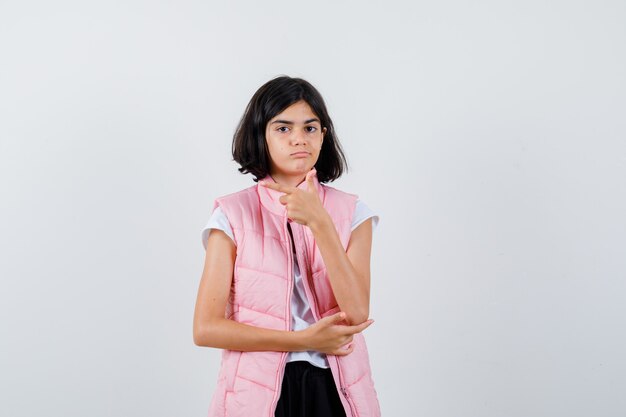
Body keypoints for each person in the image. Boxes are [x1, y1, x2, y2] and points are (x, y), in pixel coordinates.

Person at [193, 76, 382, 417]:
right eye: (283, 128)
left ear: (324, 135)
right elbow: (206, 328)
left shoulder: (353, 212)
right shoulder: (231, 214)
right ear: (260, 135)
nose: (299, 139)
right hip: (258, 394)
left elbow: (356, 314)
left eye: (310, 128)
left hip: (336, 388)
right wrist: (304, 340)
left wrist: (320, 223)